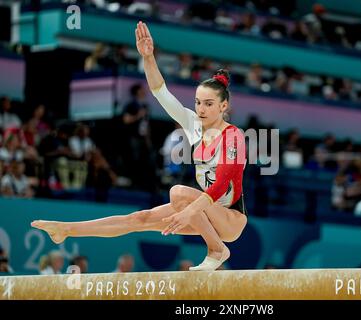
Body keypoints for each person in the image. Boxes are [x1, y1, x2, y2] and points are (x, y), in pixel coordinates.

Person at [31, 21, 248, 272]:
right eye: (198, 102)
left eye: (209, 104)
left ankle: (217, 249)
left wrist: (187, 212)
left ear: (223, 106)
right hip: (202, 213)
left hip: (229, 219)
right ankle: (67, 229)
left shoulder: (234, 137)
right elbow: (160, 91)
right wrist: (148, 58)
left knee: (178, 193)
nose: (200, 109)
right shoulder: (193, 123)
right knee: (139, 218)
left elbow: (222, 185)